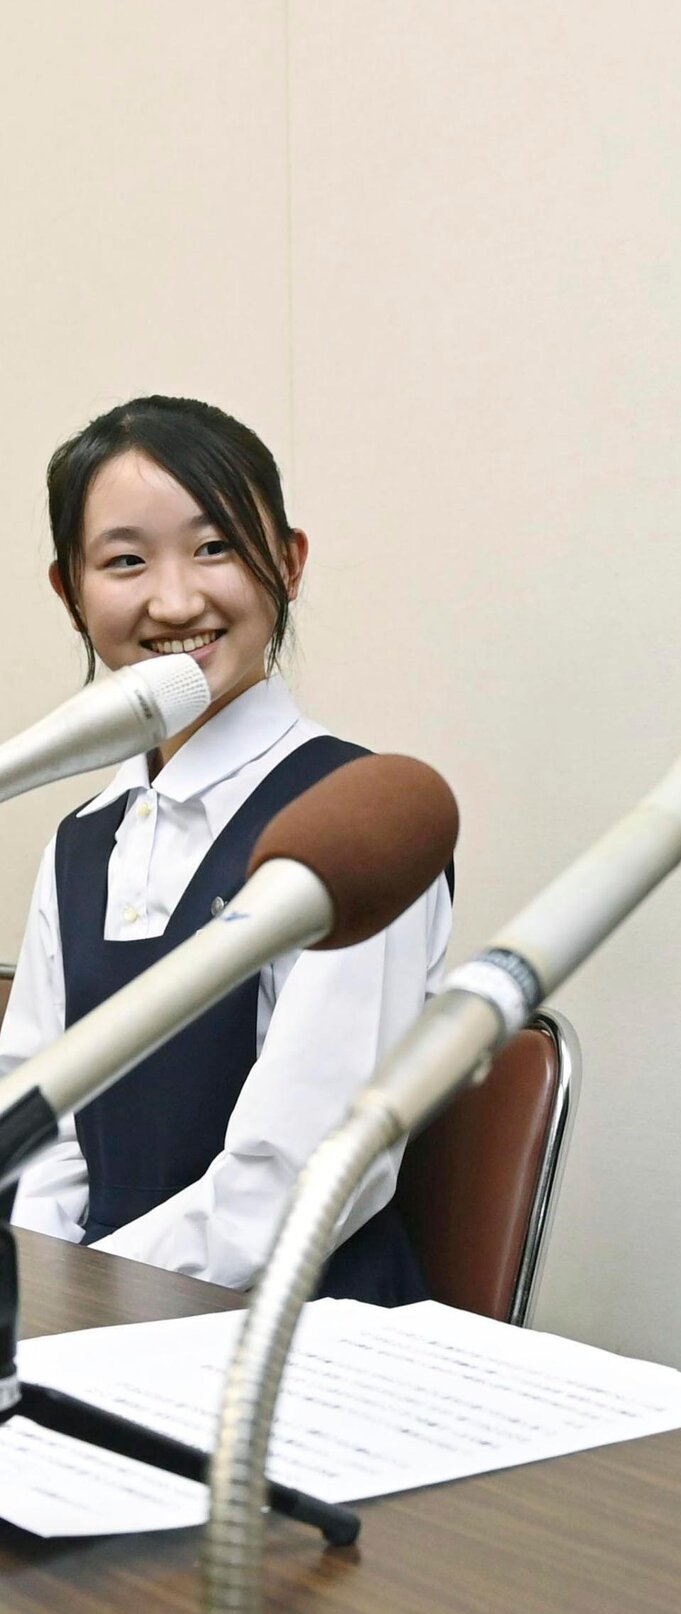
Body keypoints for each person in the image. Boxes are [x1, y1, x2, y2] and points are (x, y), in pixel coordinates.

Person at [0, 395, 451, 1301]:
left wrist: (83, 1306)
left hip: (294, 1346)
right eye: (125, 561)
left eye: (214, 548)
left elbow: (294, 1179)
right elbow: (32, 1127)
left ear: (287, 561)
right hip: (93, 1336)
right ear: (70, 591)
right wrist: (38, 1295)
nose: (175, 599)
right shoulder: (84, 839)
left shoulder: (355, 825)